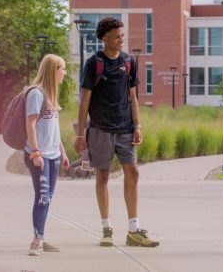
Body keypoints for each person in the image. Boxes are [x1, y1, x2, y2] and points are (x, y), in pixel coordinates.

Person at [74, 16, 160, 248]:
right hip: (100, 129)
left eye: (122, 36)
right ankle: (106, 228)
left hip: (124, 129)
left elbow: (133, 97)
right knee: (102, 175)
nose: (121, 40)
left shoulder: (129, 61)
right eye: (116, 37)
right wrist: (81, 134)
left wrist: (137, 126)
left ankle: (133, 230)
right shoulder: (94, 63)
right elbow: (85, 99)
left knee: (133, 172)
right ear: (104, 38)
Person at [25, 54, 71, 256]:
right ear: (53, 70)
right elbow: (31, 124)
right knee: (42, 197)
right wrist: (35, 152)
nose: (65, 73)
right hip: (39, 154)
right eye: (62, 68)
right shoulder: (37, 93)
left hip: (53, 155)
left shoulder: (51, 96)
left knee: (47, 198)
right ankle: (37, 241)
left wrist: (62, 151)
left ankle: (40, 235)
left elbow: (53, 128)